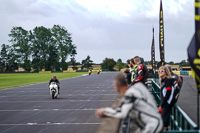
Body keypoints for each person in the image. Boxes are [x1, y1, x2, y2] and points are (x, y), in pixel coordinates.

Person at [96, 73, 163, 133]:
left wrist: (105, 111)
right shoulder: (138, 87)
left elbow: (122, 113)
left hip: (152, 125)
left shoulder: (130, 94)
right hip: (154, 122)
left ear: (117, 85)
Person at [158, 66, 174, 131]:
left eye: (162, 71)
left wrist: (163, 103)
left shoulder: (168, 80)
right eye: (159, 71)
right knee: (162, 119)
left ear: (166, 72)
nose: (160, 72)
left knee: (165, 121)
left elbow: (168, 92)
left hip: (167, 103)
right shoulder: (163, 80)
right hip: (164, 103)